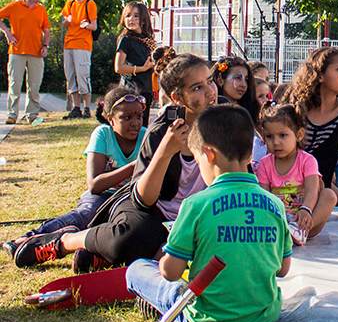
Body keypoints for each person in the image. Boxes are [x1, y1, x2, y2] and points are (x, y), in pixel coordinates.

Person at [14, 47, 219, 272]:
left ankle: (102, 256)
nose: (210, 91)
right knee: (129, 240)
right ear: (177, 98)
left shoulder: (224, 125)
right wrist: (166, 152)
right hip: (154, 212)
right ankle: (66, 241)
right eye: (197, 88)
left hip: (198, 215)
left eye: (210, 81)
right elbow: (145, 200)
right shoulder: (161, 132)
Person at [125, 104, 291, 322]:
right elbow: (283, 269)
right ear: (251, 155)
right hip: (264, 320)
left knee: (136, 269)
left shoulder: (196, 204)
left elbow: (170, 272)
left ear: (209, 154)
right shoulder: (275, 204)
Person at [9, 86, 146, 265]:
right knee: (86, 214)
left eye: (139, 116)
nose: (135, 123)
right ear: (111, 120)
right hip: (102, 196)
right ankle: (30, 239)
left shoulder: (146, 137)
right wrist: (133, 167)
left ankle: (92, 253)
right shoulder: (103, 134)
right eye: (126, 118)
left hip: (129, 199)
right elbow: (95, 185)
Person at [287, 47, 338, 220]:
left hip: (319, 193)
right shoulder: (297, 108)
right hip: (287, 188)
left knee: (328, 195)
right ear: (320, 75)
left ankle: (300, 229)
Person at [255, 103, 337, 244]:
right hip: (278, 221)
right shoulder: (264, 163)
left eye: (283, 135)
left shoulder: (307, 161)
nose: (276, 142)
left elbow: (312, 189)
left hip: (306, 219)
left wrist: (306, 210)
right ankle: (284, 232)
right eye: (269, 137)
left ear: (299, 135)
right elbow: (265, 196)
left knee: (329, 195)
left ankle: (299, 230)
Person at [0, 0, 50, 125]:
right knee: (15, 84)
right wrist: (7, 33)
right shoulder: (14, 6)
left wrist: (45, 46)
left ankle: (32, 115)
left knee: (34, 85)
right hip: (17, 51)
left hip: (36, 53)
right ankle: (12, 114)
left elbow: (46, 31)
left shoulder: (41, 9)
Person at [114, 1, 157, 125]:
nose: (131, 19)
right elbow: (118, 67)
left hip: (146, 90)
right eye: (128, 15)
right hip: (131, 91)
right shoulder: (126, 39)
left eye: (136, 16)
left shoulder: (148, 41)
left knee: (143, 128)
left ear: (143, 19)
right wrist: (141, 68)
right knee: (133, 127)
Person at [61, 0, 98, 119]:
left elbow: (94, 26)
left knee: (82, 76)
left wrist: (86, 25)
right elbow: (65, 25)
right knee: (70, 76)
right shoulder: (69, 4)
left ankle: (87, 108)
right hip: (68, 44)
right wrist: (67, 21)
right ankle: (76, 108)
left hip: (82, 45)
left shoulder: (89, 3)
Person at [210, 56, 261, 123]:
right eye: (237, 78)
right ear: (220, 80)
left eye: (246, 79)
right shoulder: (210, 111)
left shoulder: (251, 112)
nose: (244, 85)